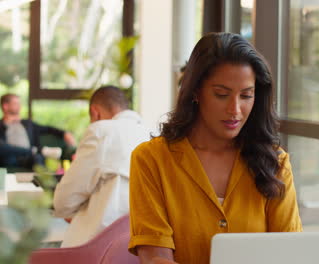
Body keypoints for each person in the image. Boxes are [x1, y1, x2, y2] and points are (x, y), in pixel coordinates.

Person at [128, 32, 303, 264]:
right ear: (196, 92)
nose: (235, 110)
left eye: (246, 96)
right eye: (221, 95)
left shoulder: (275, 162)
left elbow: (291, 252)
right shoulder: (151, 159)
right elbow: (155, 257)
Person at [53, 85, 151, 247]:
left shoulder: (101, 131)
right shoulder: (156, 133)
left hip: (100, 245)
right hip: (143, 245)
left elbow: (63, 202)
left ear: (95, 112)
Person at [0, 93, 76, 169]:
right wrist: (7, 123)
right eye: (16, 103)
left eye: (19, 103)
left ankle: (43, 179)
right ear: (5, 106)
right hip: (10, 157)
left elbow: (48, 129)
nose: (19, 106)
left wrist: (65, 133)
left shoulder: (27, 124)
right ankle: (37, 150)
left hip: (29, 157)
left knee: (38, 158)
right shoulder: (1, 125)